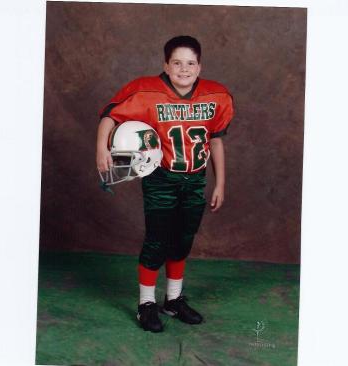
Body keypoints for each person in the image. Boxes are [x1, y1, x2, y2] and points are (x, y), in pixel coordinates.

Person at [96, 35, 234, 332]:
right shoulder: (147, 91)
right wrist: (100, 149)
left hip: (195, 179)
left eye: (190, 63)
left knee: (183, 238)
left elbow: (216, 140)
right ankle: (146, 303)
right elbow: (110, 116)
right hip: (162, 177)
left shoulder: (216, 96)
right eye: (177, 63)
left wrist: (219, 182)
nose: (184, 69)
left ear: (200, 66)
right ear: (166, 65)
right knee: (157, 239)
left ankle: (173, 300)